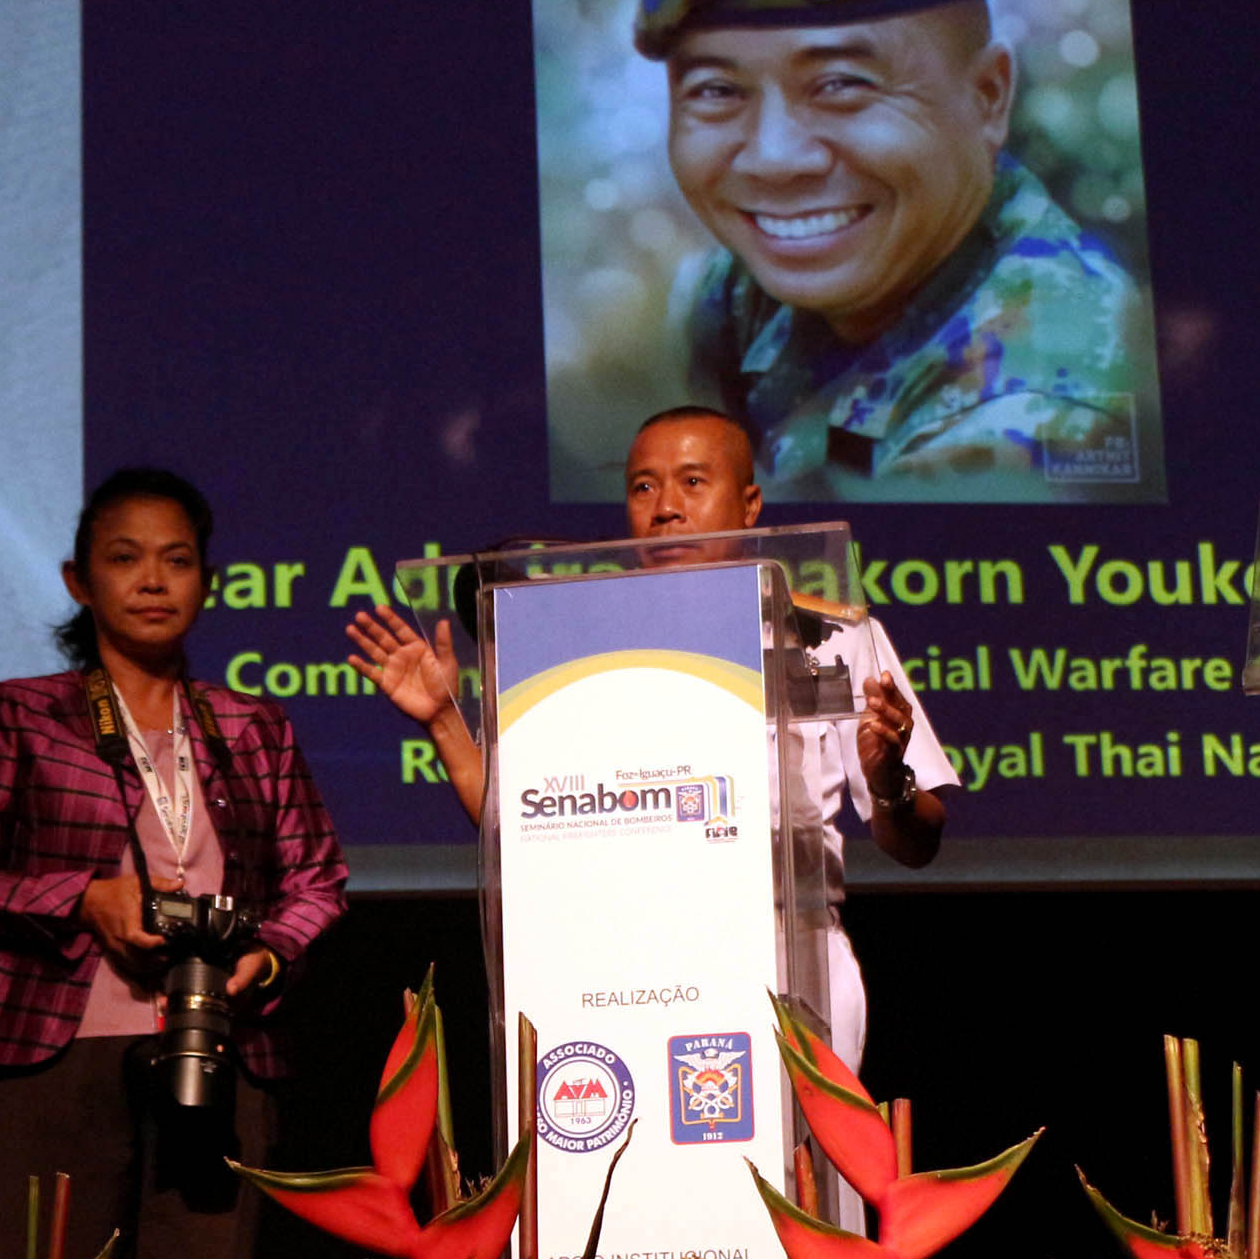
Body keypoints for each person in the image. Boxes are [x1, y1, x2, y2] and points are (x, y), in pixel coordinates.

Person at [345, 405, 955, 1072]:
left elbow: (917, 842)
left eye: (693, 482)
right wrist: (443, 721)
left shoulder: (830, 636)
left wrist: (888, 781)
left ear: (749, 504)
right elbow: (519, 827)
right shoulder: (579, 646)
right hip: (622, 967)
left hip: (788, 954)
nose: (665, 508)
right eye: (643, 487)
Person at [0, 466, 348, 1259]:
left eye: (177, 560)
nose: (153, 581)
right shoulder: (23, 714)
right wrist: (84, 899)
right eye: (125, 558)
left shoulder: (251, 724)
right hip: (55, 1052)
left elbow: (318, 880)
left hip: (218, 1045)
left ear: (207, 581)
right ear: (79, 581)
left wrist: (267, 956)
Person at [635, 0, 1147, 500]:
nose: (773, 157)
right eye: (717, 91)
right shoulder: (733, 296)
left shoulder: (1038, 399)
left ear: (988, 97)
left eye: (842, 85)